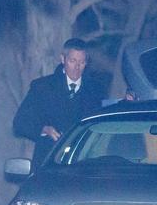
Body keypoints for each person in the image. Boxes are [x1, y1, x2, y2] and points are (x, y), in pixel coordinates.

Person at [13, 38, 104, 167]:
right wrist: (44, 129)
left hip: (83, 163)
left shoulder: (96, 90)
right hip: (48, 162)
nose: (77, 67)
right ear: (63, 59)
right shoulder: (42, 87)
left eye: (82, 62)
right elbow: (20, 122)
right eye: (72, 61)